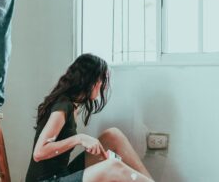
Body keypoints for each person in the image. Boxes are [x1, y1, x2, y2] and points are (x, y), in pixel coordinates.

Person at [26, 54, 154, 182]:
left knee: (112, 135)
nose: (104, 86)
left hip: (61, 174)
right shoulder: (63, 106)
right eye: (102, 80)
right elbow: (39, 153)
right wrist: (79, 138)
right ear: (91, 80)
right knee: (112, 167)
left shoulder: (72, 104)